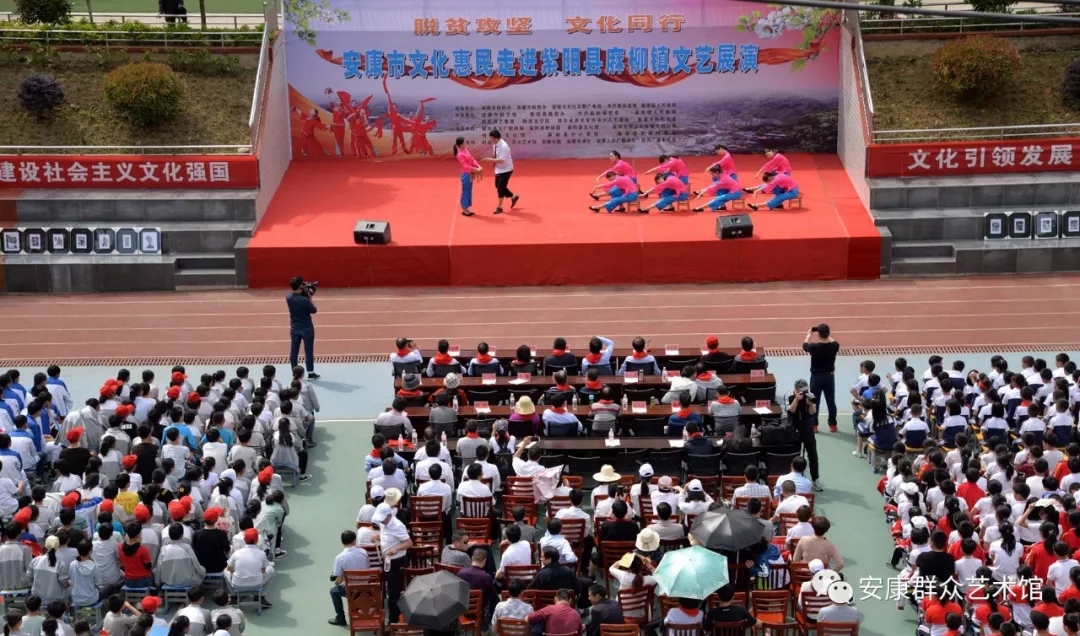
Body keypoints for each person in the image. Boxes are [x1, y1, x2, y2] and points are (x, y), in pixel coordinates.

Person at [803, 324, 840, 432]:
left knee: (814, 401)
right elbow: (833, 341)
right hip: (829, 377)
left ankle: (814, 425)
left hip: (816, 377)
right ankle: (832, 424)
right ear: (828, 334)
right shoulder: (834, 346)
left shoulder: (813, 347)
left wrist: (808, 335)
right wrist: (826, 335)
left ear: (818, 334)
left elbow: (804, 345)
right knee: (831, 401)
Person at [787, 379, 822, 491]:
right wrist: (797, 399)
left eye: (806, 390)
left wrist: (810, 404)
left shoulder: (809, 396)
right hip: (794, 428)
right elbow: (791, 411)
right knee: (794, 455)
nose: (805, 392)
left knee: (813, 455)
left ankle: (815, 479)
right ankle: (793, 479)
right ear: (796, 389)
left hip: (807, 428)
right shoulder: (789, 396)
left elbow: (812, 413)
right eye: (802, 391)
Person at [224, 530, 273, 609]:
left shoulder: (237, 553)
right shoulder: (261, 553)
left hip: (237, 585)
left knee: (225, 570)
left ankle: (234, 597)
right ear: (257, 540)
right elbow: (263, 570)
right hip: (256, 584)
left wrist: (235, 572)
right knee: (271, 569)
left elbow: (229, 568)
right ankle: (261, 597)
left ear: (244, 540)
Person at [285, 277, 319, 380]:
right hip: (307, 327)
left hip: (294, 327)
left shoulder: (288, 297)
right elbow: (314, 310)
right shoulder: (304, 300)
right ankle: (310, 373)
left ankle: (295, 372)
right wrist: (310, 297)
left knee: (294, 350)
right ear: (300, 286)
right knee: (308, 351)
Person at [480, 129, 518, 215]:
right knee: (497, 185)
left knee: (500, 188)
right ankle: (513, 197)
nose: (490, 139)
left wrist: (489, 160)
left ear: (495, 138)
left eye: (491, 138)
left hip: (506, 169)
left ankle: (499, 207)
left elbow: (501, 160)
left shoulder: (504, 146)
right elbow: (498, 156)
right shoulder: (495, 144)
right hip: (499, 168)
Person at [454, 137, 483, 217]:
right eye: (464, 142)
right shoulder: (459, 154)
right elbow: (465, 166)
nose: (466, 143)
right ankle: (464, 208)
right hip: (466, 174)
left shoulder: (466, 150)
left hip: (470, 173)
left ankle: (466, 208)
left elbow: (472, 159)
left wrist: (478, 165)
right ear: (461, 145)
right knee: (466, 191)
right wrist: (476, 169)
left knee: (469, 190)